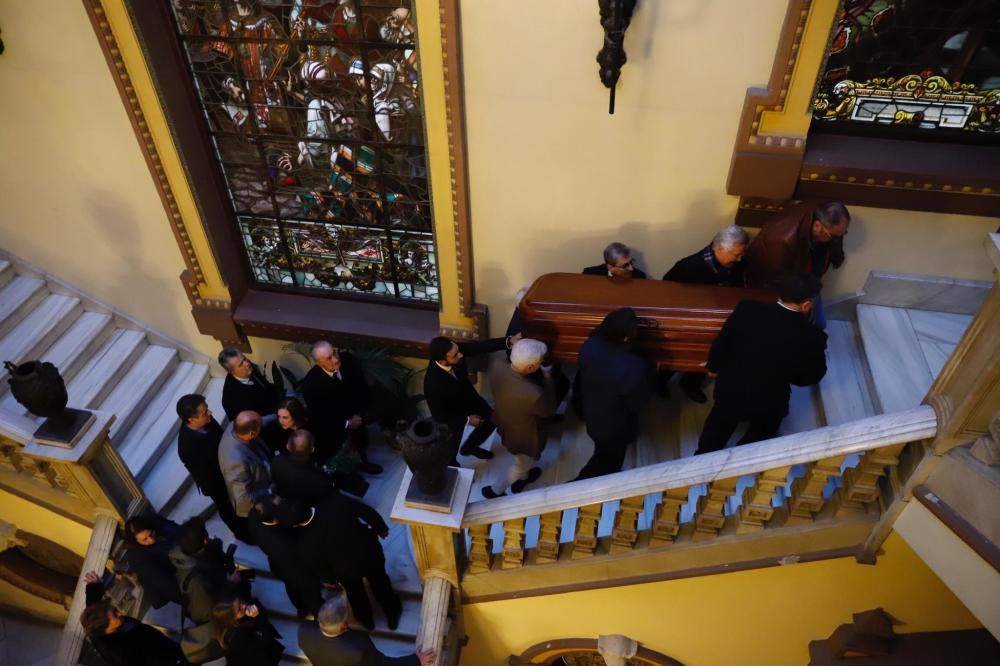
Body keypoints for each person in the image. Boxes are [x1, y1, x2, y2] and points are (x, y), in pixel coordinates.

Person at [695, 273, 828, 455]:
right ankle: (744, 457)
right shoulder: (813, 337)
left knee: (719, 423)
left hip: (730, 391)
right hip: (767, 402)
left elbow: (721, 342)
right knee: (765, 428)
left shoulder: (746, 309)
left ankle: (703, 456)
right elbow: (811, 377)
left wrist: (713, 367)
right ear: (806, 305)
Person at [276, 495, 401, 632]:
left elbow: (319, 565)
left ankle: (366, 620)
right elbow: (365, 511)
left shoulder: (305, 542)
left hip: (345, 570)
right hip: (368, 552)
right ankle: (392, 611)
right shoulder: (334, 502)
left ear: (295, 524)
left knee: (356, 594)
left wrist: (330, 579)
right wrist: (381, 528)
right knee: (381, 583)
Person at [660, 225, 750, 402]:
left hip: (719, 318)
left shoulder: (737, 263)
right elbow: (667, 290)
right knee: (679, 353)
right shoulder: (688, 267)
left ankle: (690, 384)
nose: (740, 259)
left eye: (742, 254)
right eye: (736, 255)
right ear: (720, 248)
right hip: (689, 320)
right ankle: (661, 381)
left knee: (710, 354)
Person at [574, 308, 654, 480]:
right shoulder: (633, 366)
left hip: (593, 415)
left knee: (601, 453)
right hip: (616, 427)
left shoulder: (590, 345)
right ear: (626, 337)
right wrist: (650, 376)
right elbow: (638, 404)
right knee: (608, 464)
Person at [743, 201, 850, 328]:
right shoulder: (781, 242)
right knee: (816, 325)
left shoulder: (819, 212)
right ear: (817, 226)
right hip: (782, 287)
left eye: (842, 235)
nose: (836, 239)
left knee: (819, 324)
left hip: (805, 279)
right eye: (833, 236)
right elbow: (772, 282)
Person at [424, 334, 520, 463]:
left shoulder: (454, 350)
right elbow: (440, 416)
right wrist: (467, 420)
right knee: (451, 449)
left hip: (469, 398)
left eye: (458, 351)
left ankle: (470, 447)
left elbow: (479, 347)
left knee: (492, 419)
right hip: (453, 414)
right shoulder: (432, 384)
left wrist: (508, 341)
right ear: (442, 361)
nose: (461, 355)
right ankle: (457, 471)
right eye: (455, 355)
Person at [482, 339, 558, 499]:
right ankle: (496, 490)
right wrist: (548, 377)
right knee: (521, 465)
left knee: (520, 460)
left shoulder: (497, 365)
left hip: (504, 421)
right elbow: (548, 410)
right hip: (524, 435)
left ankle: (522, 479)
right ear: (530, 367)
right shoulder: (533, 394)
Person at [299, 341, 382, 474]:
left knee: (361, 440)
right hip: (336, 424)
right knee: (342, 451)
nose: (336, 359)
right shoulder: (310, 385)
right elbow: (320, 414)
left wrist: (360, 414)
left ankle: (364, 461)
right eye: (329, 358)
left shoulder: (349, 361)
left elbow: (361, 387)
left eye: (335, 353)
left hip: (356, 413)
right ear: (319, 363)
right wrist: (346, 423)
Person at [176, 393, 249, 541]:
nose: (210, 413)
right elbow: (205, 474)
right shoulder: (187, 447)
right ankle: (243, 534)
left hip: (229, 468)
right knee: (227, 507)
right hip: (216, 482)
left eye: (207, 409)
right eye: (204, 413)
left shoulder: (206, 420)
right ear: (191, 419)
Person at [299, 587, 436, 665]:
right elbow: (384, 665)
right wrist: (416, 660)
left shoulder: (304, 632)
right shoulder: (358, 647)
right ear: (344, 625)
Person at [81, 572, 188, 666]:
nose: (120, 612)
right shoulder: (123, 654)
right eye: (115, 615)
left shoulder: (96, 628)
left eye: (114, 609)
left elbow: (93, 607)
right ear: (106, 629)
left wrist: (94, 587)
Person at [275, 398, 369, 498]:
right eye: (279, 417)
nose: (281, 421)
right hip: (314, 470)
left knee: (351, 484)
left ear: (296, 416)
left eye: (285, 418)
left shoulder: (313, 423)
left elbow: (328, 441)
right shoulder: (281, 431)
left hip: (330, 461)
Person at [247, 496, 322, 618]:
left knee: (291, 587)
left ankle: (301, 608)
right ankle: (317, 610)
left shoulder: (253, 516)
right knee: (310, 591)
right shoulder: (283, 541)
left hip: (279, 566)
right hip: (297, 569)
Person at [169, 517, 249, 624]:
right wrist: (230, 584)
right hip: (218, 612)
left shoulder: (192, 552)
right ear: (204, 541)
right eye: (206, 534)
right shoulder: (196, 581)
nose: (208, 536)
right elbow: (208, 611)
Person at [218, 347, 284, 451]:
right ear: (231, 371)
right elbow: (248, 426)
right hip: (267, 431)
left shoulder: (249, 368)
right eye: (241, 364)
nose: (247, 363)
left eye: (244, 359)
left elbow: (266, 387)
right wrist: (277, 415)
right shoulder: (231, 398)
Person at [218, 411, 274, 521]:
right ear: (252, 434)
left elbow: (260, 421)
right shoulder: (236, 462)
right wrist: (270, 492)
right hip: (259, 503)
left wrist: (277, 416)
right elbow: (244, 498)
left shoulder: (236, 426)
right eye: (260, 426)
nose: (262, 423)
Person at [122, 514, 183, 610]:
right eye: (144, 539)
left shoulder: (154, 521)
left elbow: (176, 531)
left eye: (151, 534)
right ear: (136, 541)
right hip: (164, 583)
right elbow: (166, 585)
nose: (151, 539)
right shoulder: (139, 559)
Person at [211, 597, 284, 666]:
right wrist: (258, 619)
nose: (244, 606)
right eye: (239, 609)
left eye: (240, 601)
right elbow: (267, 641)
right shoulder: (238, 638)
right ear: (231, 619)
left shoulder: (233, 623)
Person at [582, 242, 648, 279]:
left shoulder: (639, 276)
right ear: (610, 267)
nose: (631, 269)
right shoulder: (589, 275)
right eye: (625, 265)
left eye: (631, 262)